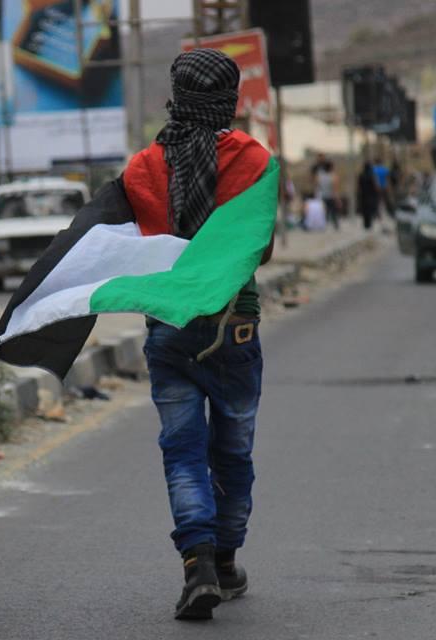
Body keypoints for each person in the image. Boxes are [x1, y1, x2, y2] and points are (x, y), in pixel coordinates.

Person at [123, 48, 274, 621]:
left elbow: (138, 245)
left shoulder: (142, 166)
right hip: (234, 324)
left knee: (182, 450)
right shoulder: (255, 160)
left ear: (176, 96)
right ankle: (227, 561)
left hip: (169, 325)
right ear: (230, 99)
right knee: (232, 451)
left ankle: (198, 564)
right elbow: (262, 250)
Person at [314, 159, 340, 230]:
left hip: (322, 195)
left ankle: (323, 224)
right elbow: (335, 188)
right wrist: (337, 198)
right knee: (333, 211)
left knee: (324, 211)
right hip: (331, 196)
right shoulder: (333, 176)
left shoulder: (319, 175)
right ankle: (336, 225)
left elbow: (316, 185)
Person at [358, 162, 380, 231]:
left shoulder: (361, 175)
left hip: (363, 195)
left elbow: (359, 186)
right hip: (371, 195)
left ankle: (366, 224)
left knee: (365, 210)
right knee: (370, 210)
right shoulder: (372, 175)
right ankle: (369, 224)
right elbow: (376, 186)